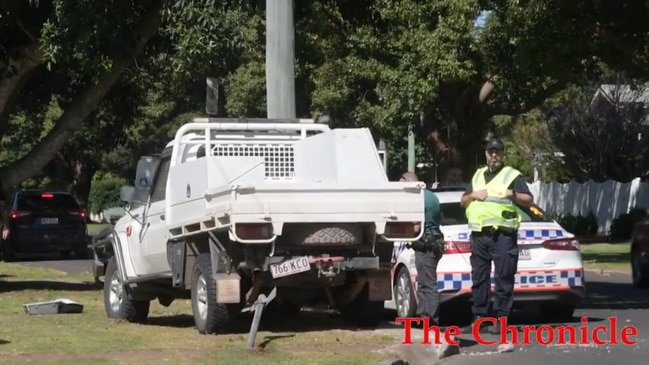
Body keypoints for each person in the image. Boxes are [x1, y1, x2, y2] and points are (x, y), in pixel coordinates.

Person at [460, 138, 534, 335]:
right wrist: (473, 195)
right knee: (479, 279)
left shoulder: (511, 175)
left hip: (502, 235)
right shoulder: (477, 176)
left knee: (503, 278)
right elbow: (463, 201)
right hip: (479, 236)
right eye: (491, 151)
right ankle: (480, 319)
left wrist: (512, 194)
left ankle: (501, 321)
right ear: (486, 154)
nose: (494, 155)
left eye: (498, 152)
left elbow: (528, 200)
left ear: (502, 154)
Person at [399, 171, 445, 325]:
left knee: (428, 285)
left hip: (427, 246)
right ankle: (425, 316)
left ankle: (431, 320)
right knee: (424, 283)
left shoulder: (417, 199)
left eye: (401, 184)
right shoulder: (431, 196)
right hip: (433, 243)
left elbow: (416, 226)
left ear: (408, 182)